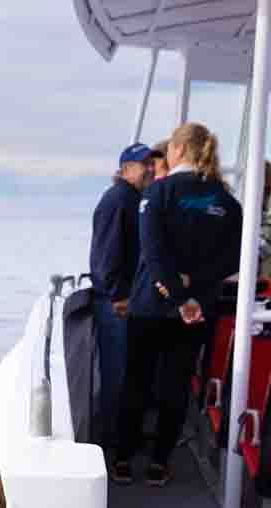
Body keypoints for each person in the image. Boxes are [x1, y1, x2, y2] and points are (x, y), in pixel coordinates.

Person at [114, 121, 244, 487]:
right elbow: (234, 260)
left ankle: (123, 459)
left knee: (136, 382)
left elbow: (153, 255)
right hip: (197, 311)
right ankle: (159, 464)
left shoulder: (157, 195)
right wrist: (194, 289)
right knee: (175, 385)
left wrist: (175, 291)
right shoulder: (227, 202)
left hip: (152, 307)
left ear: (180, 150)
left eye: (169, 148)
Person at [87, 142, 157, 446]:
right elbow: (107, 254)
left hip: (128, 301)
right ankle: (112, 444)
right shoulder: (118, 200)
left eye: (153, 164)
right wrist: (118, 295)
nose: (151, 170)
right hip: (117, 304)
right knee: (117, 376)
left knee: (128, 374)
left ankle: (124, 438)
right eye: (145, 165)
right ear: (126, 169)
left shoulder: (132, 199)